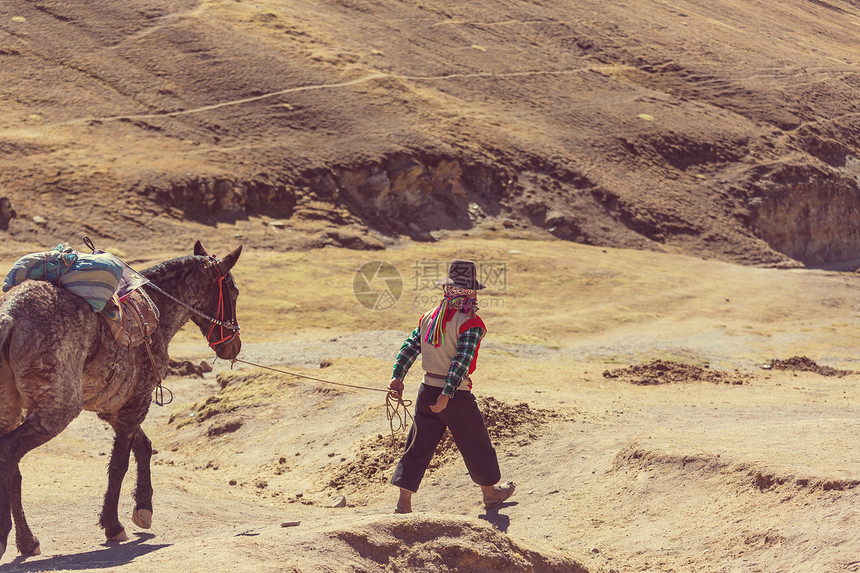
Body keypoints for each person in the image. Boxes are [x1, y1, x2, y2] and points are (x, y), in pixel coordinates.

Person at [388, 259, 515, 514]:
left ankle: (404, 503)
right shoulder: (470, 322)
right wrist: (447, 395)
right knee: (476, 442)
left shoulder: (429, 318)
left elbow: (410, 346)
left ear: (448, 288)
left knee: (417, 444)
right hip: (455, 395)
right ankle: (490, 494)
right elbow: (462, 361)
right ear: (471, 291)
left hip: (426, 390)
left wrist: (397, 376)